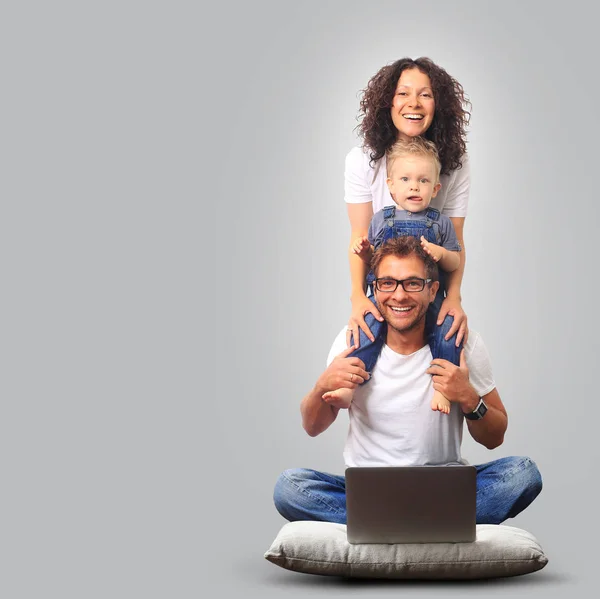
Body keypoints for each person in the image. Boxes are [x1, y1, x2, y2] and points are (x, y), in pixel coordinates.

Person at [273, 237, 542, 525]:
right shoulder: (353, 340)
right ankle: (428, 524)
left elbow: (495, 437)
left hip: (444, 488)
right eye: (387, 283)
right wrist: (321, 386)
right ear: (375, 288)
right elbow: (312, 426)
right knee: (290, 487)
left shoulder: (462, 343)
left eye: (412, 283)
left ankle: (387, 523)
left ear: (432, 289)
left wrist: (468, 398)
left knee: (523, 473)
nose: (399, 296)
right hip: (368, 490)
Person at [326, 137, 462, 414]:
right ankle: (348, 385)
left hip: (427, 297)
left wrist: (440, 253)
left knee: (447, 334)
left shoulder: (441, 223)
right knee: (366, 329)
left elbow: (455, 260)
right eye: (405, 179)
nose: (414, 186)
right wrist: (365, 252)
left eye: (423, 181)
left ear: (435, 188)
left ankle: (443, 389)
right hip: (387, 296)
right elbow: (375, 262)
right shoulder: (381, 220)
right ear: (390, 186)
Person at [345, 57, 471, 356]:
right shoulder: (362, 161)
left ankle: (445, 383)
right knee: (361, 340)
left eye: (425, 94)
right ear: (387, 102)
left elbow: (455, 241)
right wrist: (358, 297)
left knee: (451, 338)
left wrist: (454, 298)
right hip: (385, 287)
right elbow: (360, 236)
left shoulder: (455, 163)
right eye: (403, 93)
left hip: (428, 287)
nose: (413, 103)